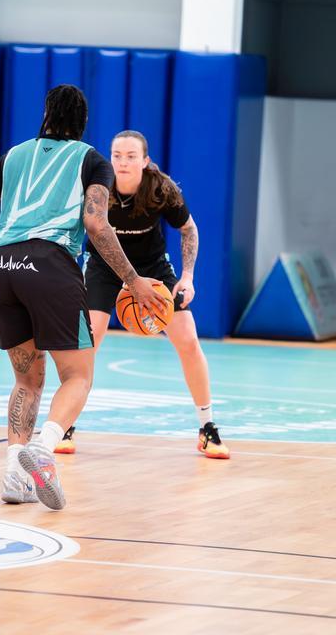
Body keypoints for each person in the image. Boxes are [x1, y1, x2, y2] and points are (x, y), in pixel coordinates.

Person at [0, 85, 163, 510]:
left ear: (45, 113)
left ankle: (15, 475)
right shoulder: (91, 160)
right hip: (49, 264)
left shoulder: (13, 155)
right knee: (78, 376)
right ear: (83, 121)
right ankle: (46, 447)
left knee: (26, 379)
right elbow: (96, 225)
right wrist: (133, 280)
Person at [62, 130, 230, 459]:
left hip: (152, 269)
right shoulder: (97, 188)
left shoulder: (161, 189)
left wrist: (188, 276)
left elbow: (188, 228)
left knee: (188, 340)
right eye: (117, 155)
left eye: (130, 156)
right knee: (88, 341)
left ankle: (207, 428)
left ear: (145, 161)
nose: (122, 162)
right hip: (104, 266)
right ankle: (64, 423)